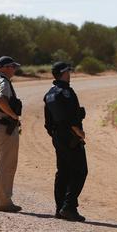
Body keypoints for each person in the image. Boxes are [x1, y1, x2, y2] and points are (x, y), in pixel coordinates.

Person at [43, 62, 88, 222]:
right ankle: (68, 207)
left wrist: (56, 135)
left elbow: (48, 122)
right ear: (63, 73)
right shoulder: (66, 92)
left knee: (63, 172)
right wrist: (79, 132)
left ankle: (59, 208)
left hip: (58, 137)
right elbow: (69, 117)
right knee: (80, 171)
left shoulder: (49, 94)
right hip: (70, 136)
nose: (70, 73)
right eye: (68, 71)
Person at [0, 56, 23, 213]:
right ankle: (4, 202)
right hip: (5, 127)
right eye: (12, 66)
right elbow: (1, 100)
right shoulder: (3, 82)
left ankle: (2, 200)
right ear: (4, 67)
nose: (14, 69)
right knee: (7, 165)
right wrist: (14, 116)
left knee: (2, 164)